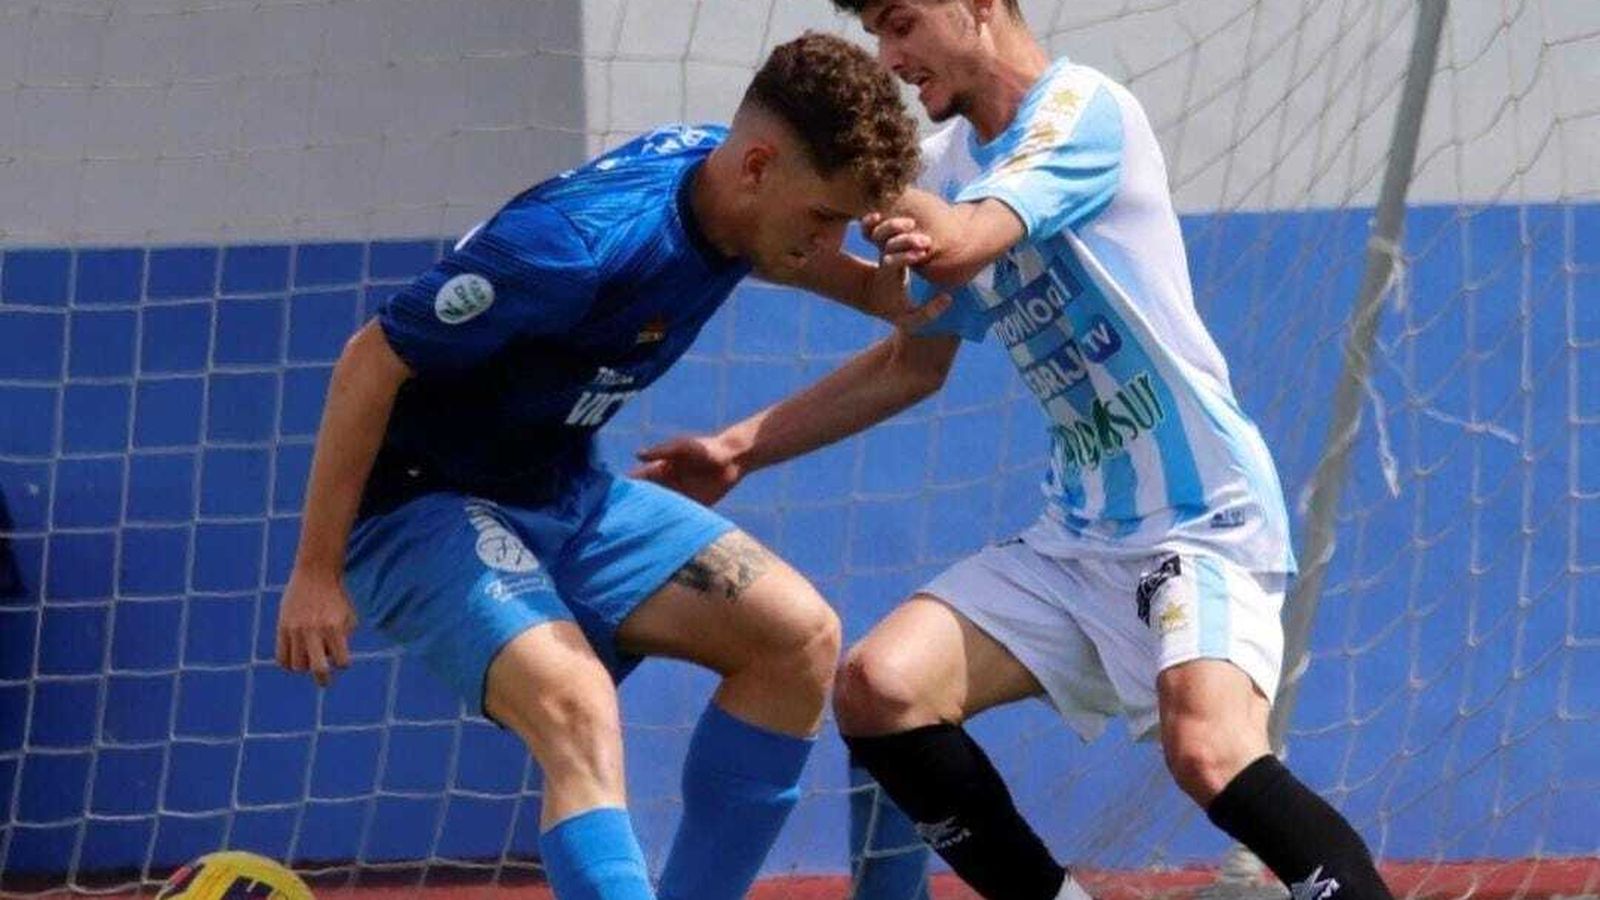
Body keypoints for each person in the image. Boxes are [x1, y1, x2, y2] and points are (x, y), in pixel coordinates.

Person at [634, 3, 1394, 899]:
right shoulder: (952, 168)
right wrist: (737, 445)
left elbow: (960, 245)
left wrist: (838, 152)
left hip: (1200, 523)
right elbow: (913, 360)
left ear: (979, 6)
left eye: (905, 22)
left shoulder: (1083, 112)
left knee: (1207, 749)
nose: (893, 57)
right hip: (1076, 541)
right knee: (880, 688)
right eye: (878, 33)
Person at [273, 32, 929, 900]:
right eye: (824, 219)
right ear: (760, 167)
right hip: (420, 507)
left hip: (565, 492)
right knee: (578, 706)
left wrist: (898, 282)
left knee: (797, 638)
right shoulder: (573, 248)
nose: (831, 240)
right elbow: (369, 360)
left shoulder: (733, 186)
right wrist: (315, 570)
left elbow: (810, 262)